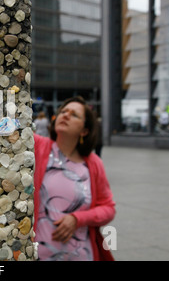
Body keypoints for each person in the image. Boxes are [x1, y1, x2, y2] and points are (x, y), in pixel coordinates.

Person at [33, 96, 115, 261]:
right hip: (39, 255)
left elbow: (108, 208)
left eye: (74, 114)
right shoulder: (38, 146)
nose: (66, 115)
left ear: (84, 131)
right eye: (63, 111)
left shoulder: (93, 163)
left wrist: (77, 219)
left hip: (81, 255)